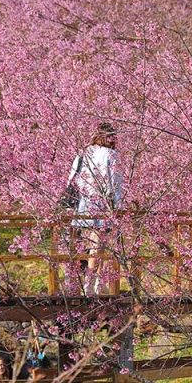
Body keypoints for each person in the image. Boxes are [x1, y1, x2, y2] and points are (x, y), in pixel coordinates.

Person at [66, 122, 123, 295]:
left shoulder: (83, 153)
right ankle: (93, 282)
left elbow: (71, 178)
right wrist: (117, 204)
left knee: (92, 242)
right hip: (102, 200)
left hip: (84, 200)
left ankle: (92, 281)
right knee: (100, 242)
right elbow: (114, 182)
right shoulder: (111, 154)